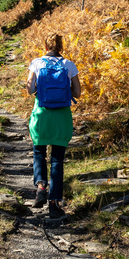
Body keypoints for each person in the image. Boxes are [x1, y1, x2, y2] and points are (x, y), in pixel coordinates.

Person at [26, 32, 81, 219]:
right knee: (57, 159)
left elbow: (30, 88)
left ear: (46, 46)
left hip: (42, 114)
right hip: (61, 117)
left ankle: (41, 186)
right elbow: (78, 92)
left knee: (39, 152)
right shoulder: (69, 65)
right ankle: (54, 203)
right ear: (61, 46)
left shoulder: (36, 63)